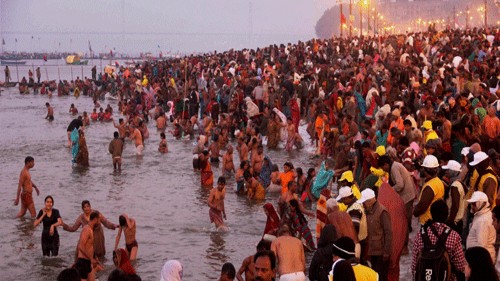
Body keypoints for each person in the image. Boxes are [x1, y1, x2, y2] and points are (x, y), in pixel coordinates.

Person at [411, 200, 465, 281]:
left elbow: (414, 265)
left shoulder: (421, 235)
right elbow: (460, 266)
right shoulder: (454, 236)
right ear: (447, 215)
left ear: (432, 215)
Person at [357, 188, 392, 281]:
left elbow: (388, 233)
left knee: (381, 277)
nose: (363, 205)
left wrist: (386, 252)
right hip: (373, 251)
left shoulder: (382, 211)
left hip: (381, 252)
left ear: (369, 201)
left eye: (364, 202)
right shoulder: (369, 211)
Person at [413, 155, 445, 225]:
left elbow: (422, 207)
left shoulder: (430, 186)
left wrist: (414, 211)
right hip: (435, 220)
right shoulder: (438, 181)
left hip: (427, 222)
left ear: (424, 169)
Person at [466, 191, 496, 262]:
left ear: (481, 204)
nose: (472, 206)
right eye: (472, 204)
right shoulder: (481, 215)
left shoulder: (483, 220)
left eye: (474, 204)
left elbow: (481, 245)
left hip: (480, 259)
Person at [75, 211, 101, 281]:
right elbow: (80, 246)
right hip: (82, 262)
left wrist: (94, 257)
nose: (100, 222)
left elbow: (89, 246)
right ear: (95, 219)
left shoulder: (91, 229)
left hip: (88, 261)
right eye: (99, 220)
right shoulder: (86, 229)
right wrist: (91, 258)